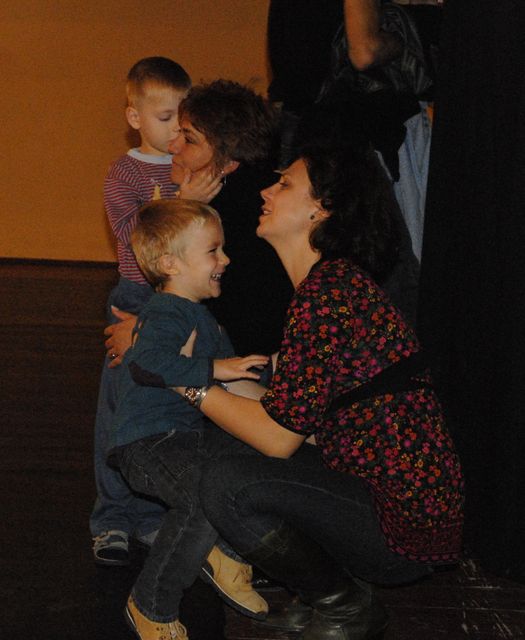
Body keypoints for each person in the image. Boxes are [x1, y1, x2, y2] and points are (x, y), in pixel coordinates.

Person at [174, 144, 464, 640]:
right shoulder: (330, 287)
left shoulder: (328, 294)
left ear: (321, 209)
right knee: (227, 448)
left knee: (227, 483)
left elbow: (278, 437)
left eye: (284, 183)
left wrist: (184, 381)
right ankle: (322, 595)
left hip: (400, 523)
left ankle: (344, 604)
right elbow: (290, 416)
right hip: (394, 505)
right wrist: (203, 370)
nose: (266, 191)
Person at [113, 198, 269, 640]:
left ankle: (224, 553)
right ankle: (151, 604)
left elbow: (235, 385)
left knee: (248, 465)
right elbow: (146, 363)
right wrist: (217, 368)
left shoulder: (204, 319)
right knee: (202, 495)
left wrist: (273, 391)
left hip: (181, 438)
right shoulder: (166, 310)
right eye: (213, 251)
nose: (226, 259)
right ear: (170, 264)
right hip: (146, 443)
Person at [91, 57, 223, 566]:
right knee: (120, 407)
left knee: (166, 408)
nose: (174, 133)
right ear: (134, 117)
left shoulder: (187, 165)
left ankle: (150, 515)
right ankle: (111, 517)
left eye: (181, 122)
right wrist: (181, 198)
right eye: (164, 118)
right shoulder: (124, 172)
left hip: (181, 299)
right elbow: (135, 240)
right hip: (136, 296)